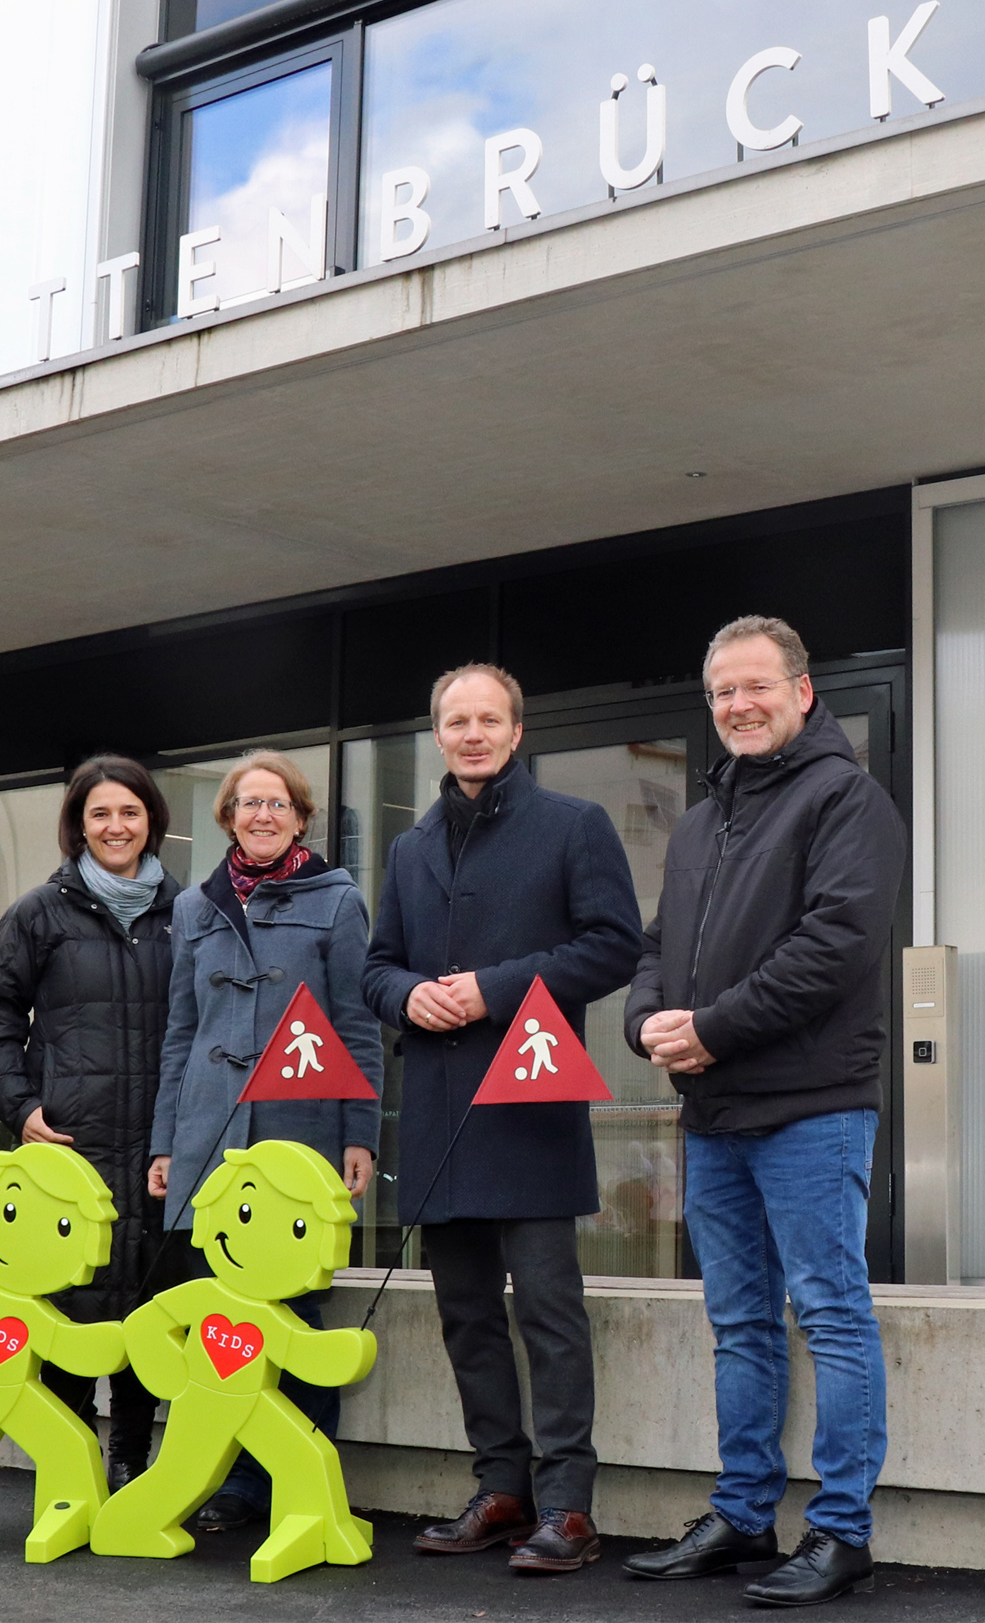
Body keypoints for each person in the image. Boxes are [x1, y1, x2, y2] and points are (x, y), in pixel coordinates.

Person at [621, 616, 906, 1607]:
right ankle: (743, 1514)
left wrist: (714, 1029)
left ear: (801, 690)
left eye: (754, 687)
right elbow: (660, 946)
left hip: (810, 1108)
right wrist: (646, 1020)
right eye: (721, 693)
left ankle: (841, 1530)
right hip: (715, 1113)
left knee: (829, 1310)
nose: (737, 706)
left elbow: (835, 946)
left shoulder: (845, 799)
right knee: (738, 1319)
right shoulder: (705, 818)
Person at [361, 663, 644, 1574]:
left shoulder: (575, 826)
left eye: (489, 719)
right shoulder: (409, 849)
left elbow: (612, 946)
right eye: (456, 720)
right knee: (468, 1316)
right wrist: (409, 997)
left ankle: (568, 1506)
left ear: (517, 733)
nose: (473, 733)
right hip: (442, 1115)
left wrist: (489, 990)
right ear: (438, 735)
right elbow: (376, 969)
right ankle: (503, 1489)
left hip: (530, 1104)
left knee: (551, 1312)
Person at [148, 749, 381, 1531]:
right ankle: (238, 1479)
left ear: (302, 818)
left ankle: (300, 1478)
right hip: (212, 1132)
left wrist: (360, 1132)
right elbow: (181, 1033)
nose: (262, 816)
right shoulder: (194, 909)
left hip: (301, 1127)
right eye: (248, 804)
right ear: (228, 818)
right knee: (228, 1311)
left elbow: (355, 1022)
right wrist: (165, 1145)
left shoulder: (339, 900)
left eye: (277, 804)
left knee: (301, 1310)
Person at [0, 755, 181, 1492]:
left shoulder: (188, 915)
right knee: (72, 1304)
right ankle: (68, 1464)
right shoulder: (39, 913)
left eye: (129, 811)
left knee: (148, 1303)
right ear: (78, 826)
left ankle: (129, 1460)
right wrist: (22, 1109)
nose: (116, 826)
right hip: (69, 1145)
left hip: (161, 1147)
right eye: (100, 814)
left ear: (151, 818)